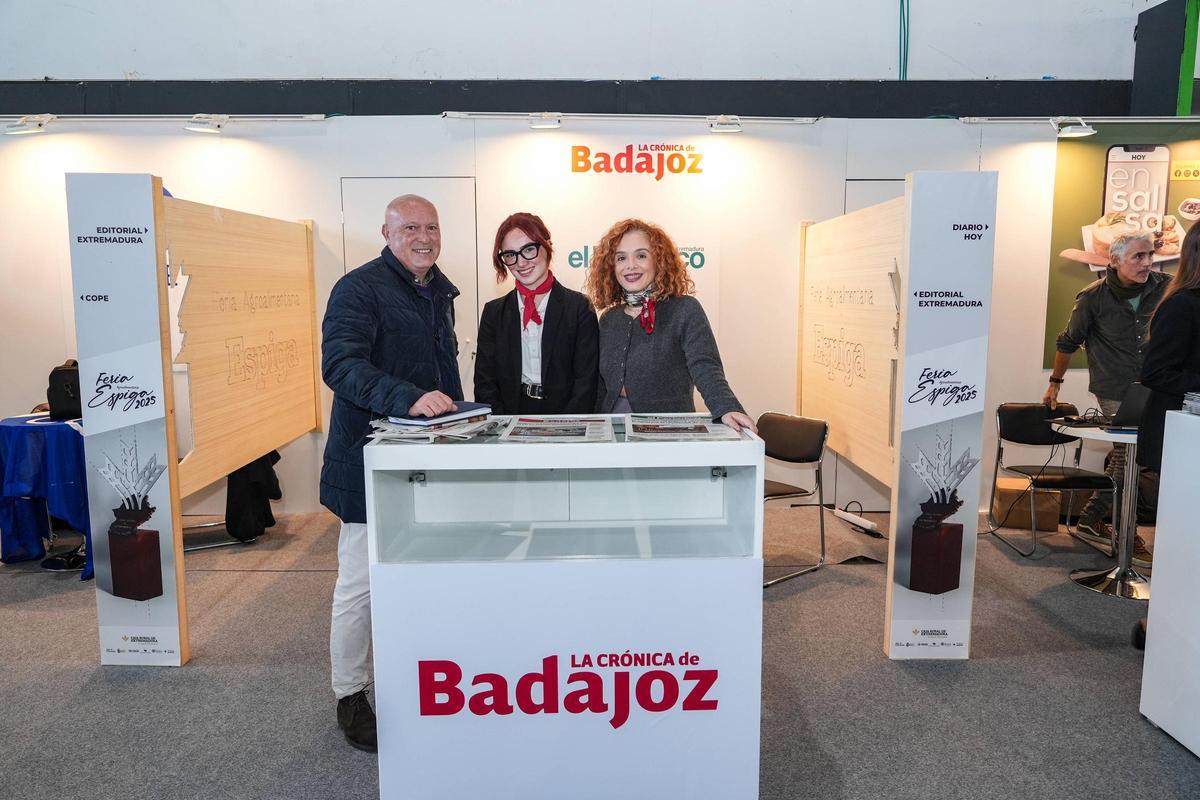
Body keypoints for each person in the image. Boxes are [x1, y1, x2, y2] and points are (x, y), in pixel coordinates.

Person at [320, 194, 462, 752]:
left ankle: (417, 675)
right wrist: (409, 398)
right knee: (358, 583)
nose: (423, 237)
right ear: (385, 231)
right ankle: (350, 693)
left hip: (427, 462)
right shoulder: (357, 288)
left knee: (419, 574)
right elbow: (341, 365)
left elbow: (438, 371)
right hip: (367, 461)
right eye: (410, 228)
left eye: (431, 226)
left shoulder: (437, 291)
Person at [1045, 232, 1168, 565]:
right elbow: (1068, 341)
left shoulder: (1167, 288)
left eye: (1149, 255)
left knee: (1126, 456)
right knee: (1133, 455)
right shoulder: (1092, 298)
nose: (1146, 263)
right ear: (1115, 261)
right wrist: (1055, 382)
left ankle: (1091, 518)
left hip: (1158, 387)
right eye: (1137, 257)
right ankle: (1123, 532)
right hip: (1114, 389)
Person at [585, 218, 755, 432]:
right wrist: (590, 427)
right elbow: (601, 384)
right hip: (612, 427)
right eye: (621, 258)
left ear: (659, 261)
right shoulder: (609, 318)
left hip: (668, 429)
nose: (630, 265)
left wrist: (727, 407)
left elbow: (705, 365)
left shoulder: (685, 309)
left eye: (641, 255)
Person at [474, 212, 598, 414]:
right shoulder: (494, 312)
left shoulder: (579, 307)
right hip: (509, 419)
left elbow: (586, 382)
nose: (521, 263)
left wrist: (567, 428)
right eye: (510, 255)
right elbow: (485, 382)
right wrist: (501, 425)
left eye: (529, 249)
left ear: (547, 246)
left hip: (566, 420)